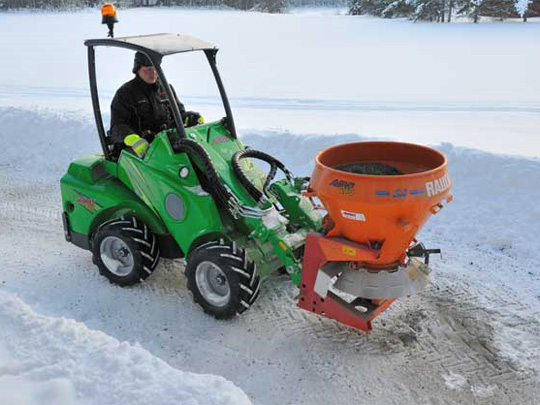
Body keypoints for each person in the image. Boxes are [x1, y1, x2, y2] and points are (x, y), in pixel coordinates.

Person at [110, 51, 203, 158]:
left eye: (155, 68)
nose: (153, 72)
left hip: (167, 143)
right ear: (137, 69)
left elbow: (178, 113)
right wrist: (133, 139)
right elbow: (117, 125)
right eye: (148, 69)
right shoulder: (125, 93)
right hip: (140, 148)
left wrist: (189, 117)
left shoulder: (166, 88)